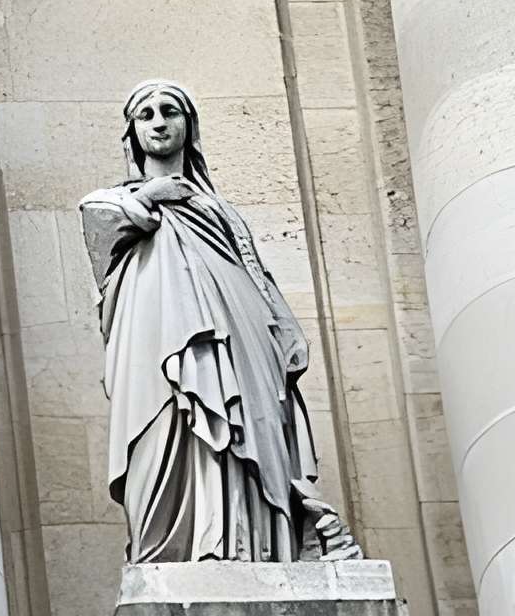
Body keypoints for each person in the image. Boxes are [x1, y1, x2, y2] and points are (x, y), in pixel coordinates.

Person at [80, 81, 354, 564]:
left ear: (189, 126)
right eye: (145, 115)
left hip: (237, 337)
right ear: (132, 133)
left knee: (243, 426)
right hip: (158, 344)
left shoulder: (219, 209)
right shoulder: (113, 201)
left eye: (170, 111)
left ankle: (247, 544)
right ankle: (178, 545)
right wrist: (152, 196)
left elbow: (254, 274)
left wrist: (283, 329)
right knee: (169, 430)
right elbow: (104, 226)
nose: (159, 122)